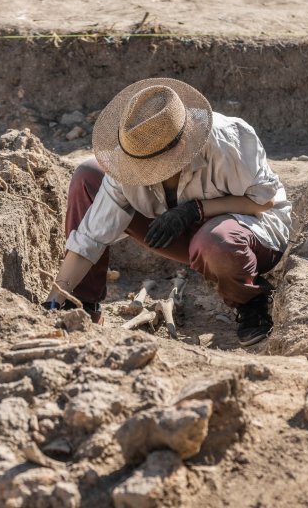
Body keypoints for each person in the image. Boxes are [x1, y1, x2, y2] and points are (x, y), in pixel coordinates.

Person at [43, 78, 292, 346]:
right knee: (89, 175)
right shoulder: (132, 155)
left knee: (215, 241)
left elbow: (263, 202)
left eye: (155, 166)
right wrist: (56, 297)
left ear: (182, 147)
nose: (144, 174)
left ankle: (250, 301)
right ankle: (80, 306)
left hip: (251, 231)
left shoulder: (229, 141)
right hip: (182, 233)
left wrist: (195, 210)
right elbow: (90, 236)